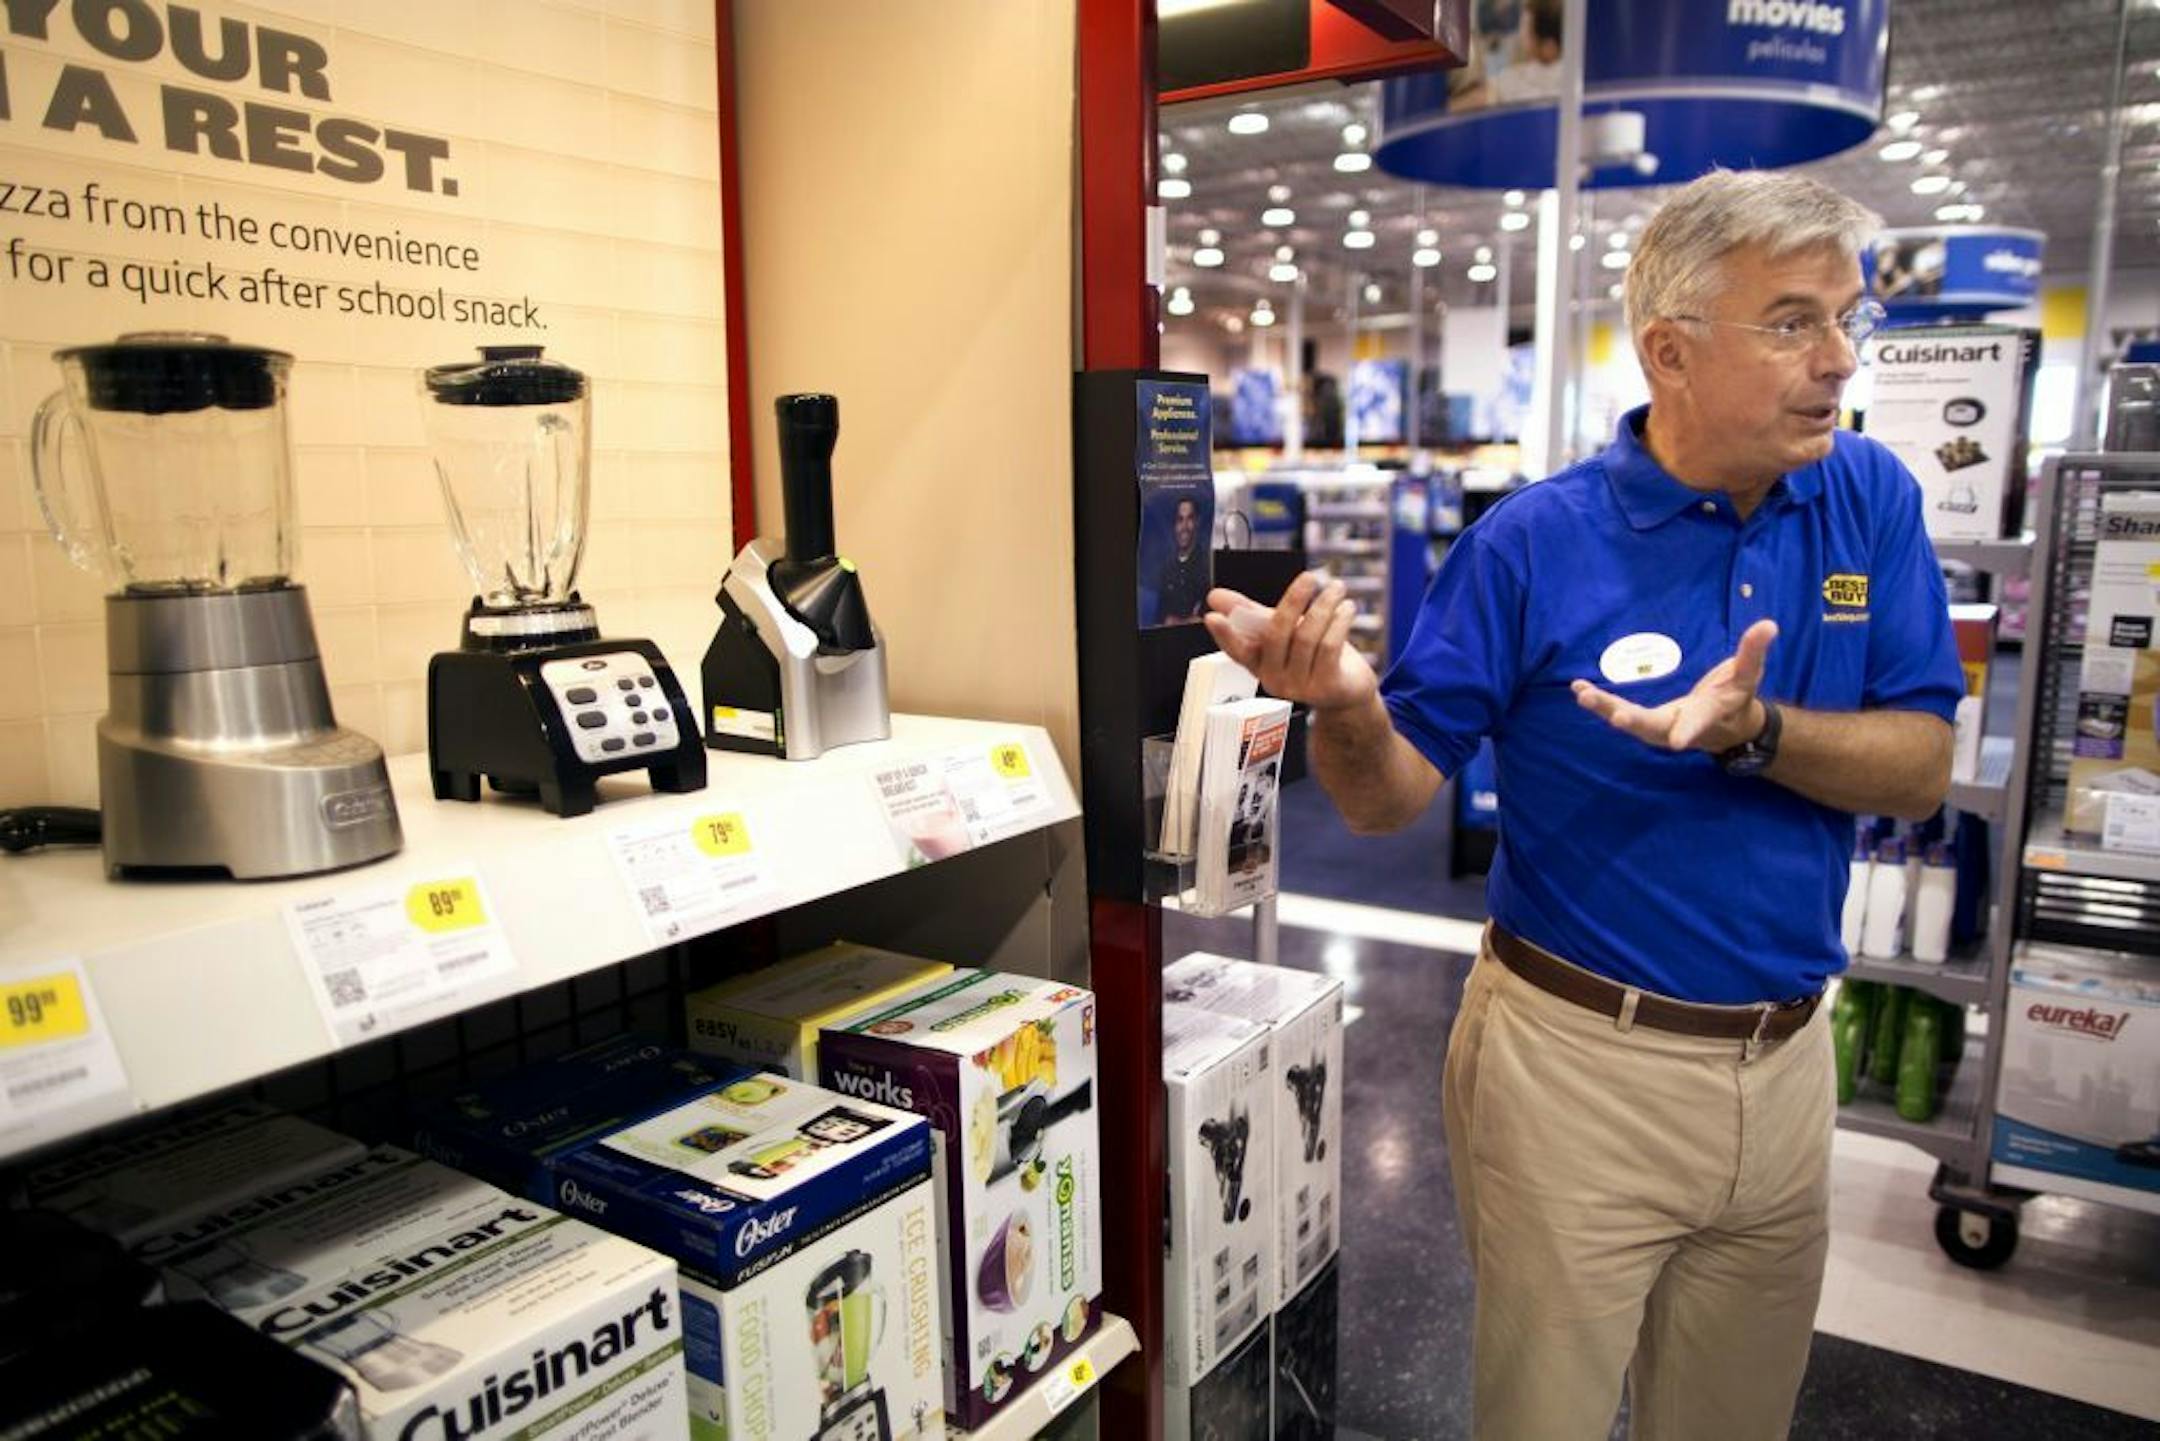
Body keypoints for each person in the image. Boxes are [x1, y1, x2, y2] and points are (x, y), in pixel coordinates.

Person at [1204, 169, 1962, 1440]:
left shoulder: (1869, 496)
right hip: (1575, 1070)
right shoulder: (1531, 543)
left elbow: (1923, 764)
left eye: (1849, 317)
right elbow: (1388, 800)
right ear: (1670, 350)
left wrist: (1757, 732)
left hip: (1788, 1066)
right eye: (1793, 321)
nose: (1839, 357)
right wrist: (1347, 707)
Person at [1154, 495, 1209, 623]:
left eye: (1190, 518)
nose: (1184, 527)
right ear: (1174, 526)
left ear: (1197, 522)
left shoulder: (1208, 566)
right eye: (1180, 520)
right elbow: (1160, 618)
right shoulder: (1167, 569)